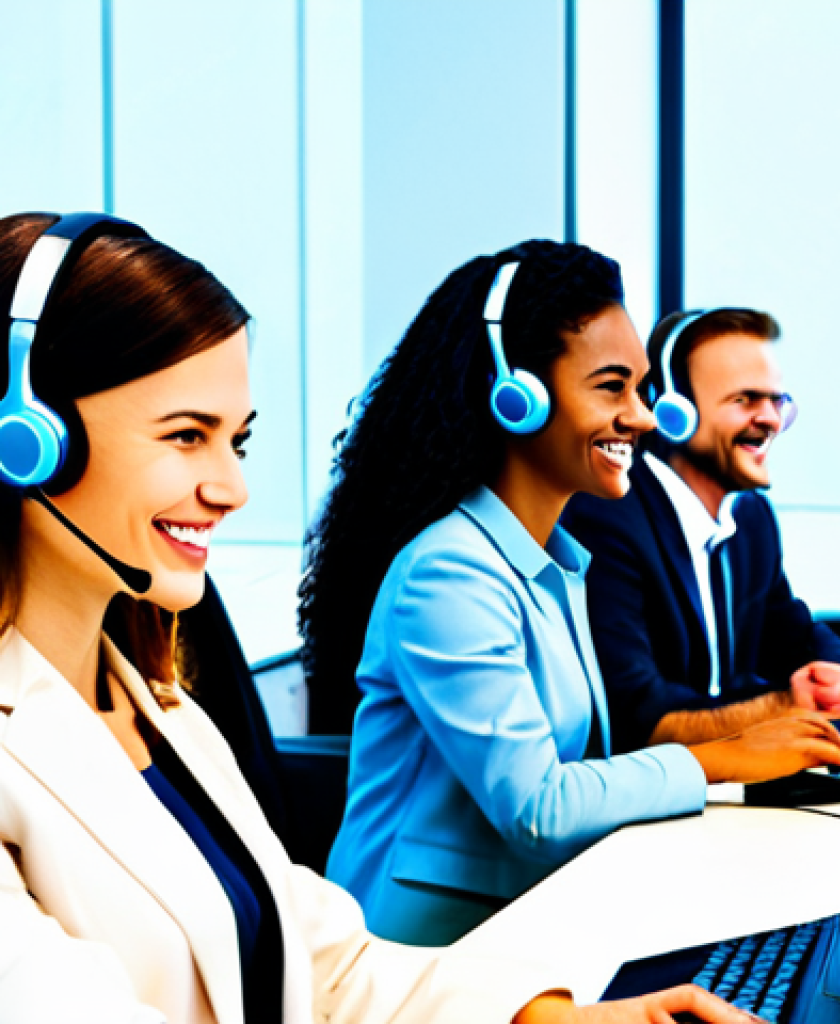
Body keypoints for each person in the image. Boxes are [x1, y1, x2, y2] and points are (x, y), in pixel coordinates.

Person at [0, 213, 762, 1024]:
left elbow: (318, 961)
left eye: (237, 443)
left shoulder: (163, 707)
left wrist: (557, 1021)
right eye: (187, 438)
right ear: (27, 439)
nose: (231, 489)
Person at [300, 244, 840, 950]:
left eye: (641, 387)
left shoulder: (551, 564)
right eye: (611, 387)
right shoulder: (448, 576)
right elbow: (537, 805)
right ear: (518, 394)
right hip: (414, 963)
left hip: (522, 928)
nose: (646, 418)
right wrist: (728, 753)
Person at [562, 308, 840, 754]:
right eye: (745, 400)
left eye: (776, 400)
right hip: (645, 797)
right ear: (673, 412)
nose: (770, 419)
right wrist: (829, 703)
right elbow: (640, 718)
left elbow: (794, 639)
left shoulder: (750, 519)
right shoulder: (606, 519)